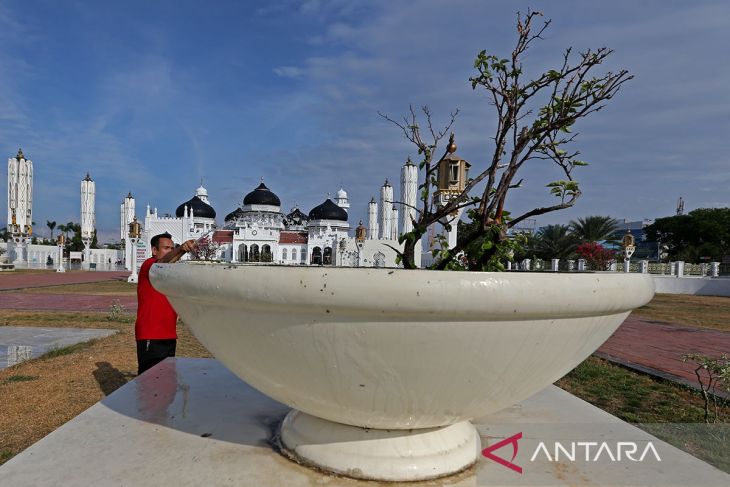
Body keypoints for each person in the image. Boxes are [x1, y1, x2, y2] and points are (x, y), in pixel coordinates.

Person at [135, 232, 197, 375]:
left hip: (169, 335)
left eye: (171, 248)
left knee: (166, 380)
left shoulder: (169, 273)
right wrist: (181, 249)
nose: (170, 250)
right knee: (149, 380)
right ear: (154, 250)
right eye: (166, 248)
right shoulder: (149, 265)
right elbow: (163, 263)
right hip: (150, 334)